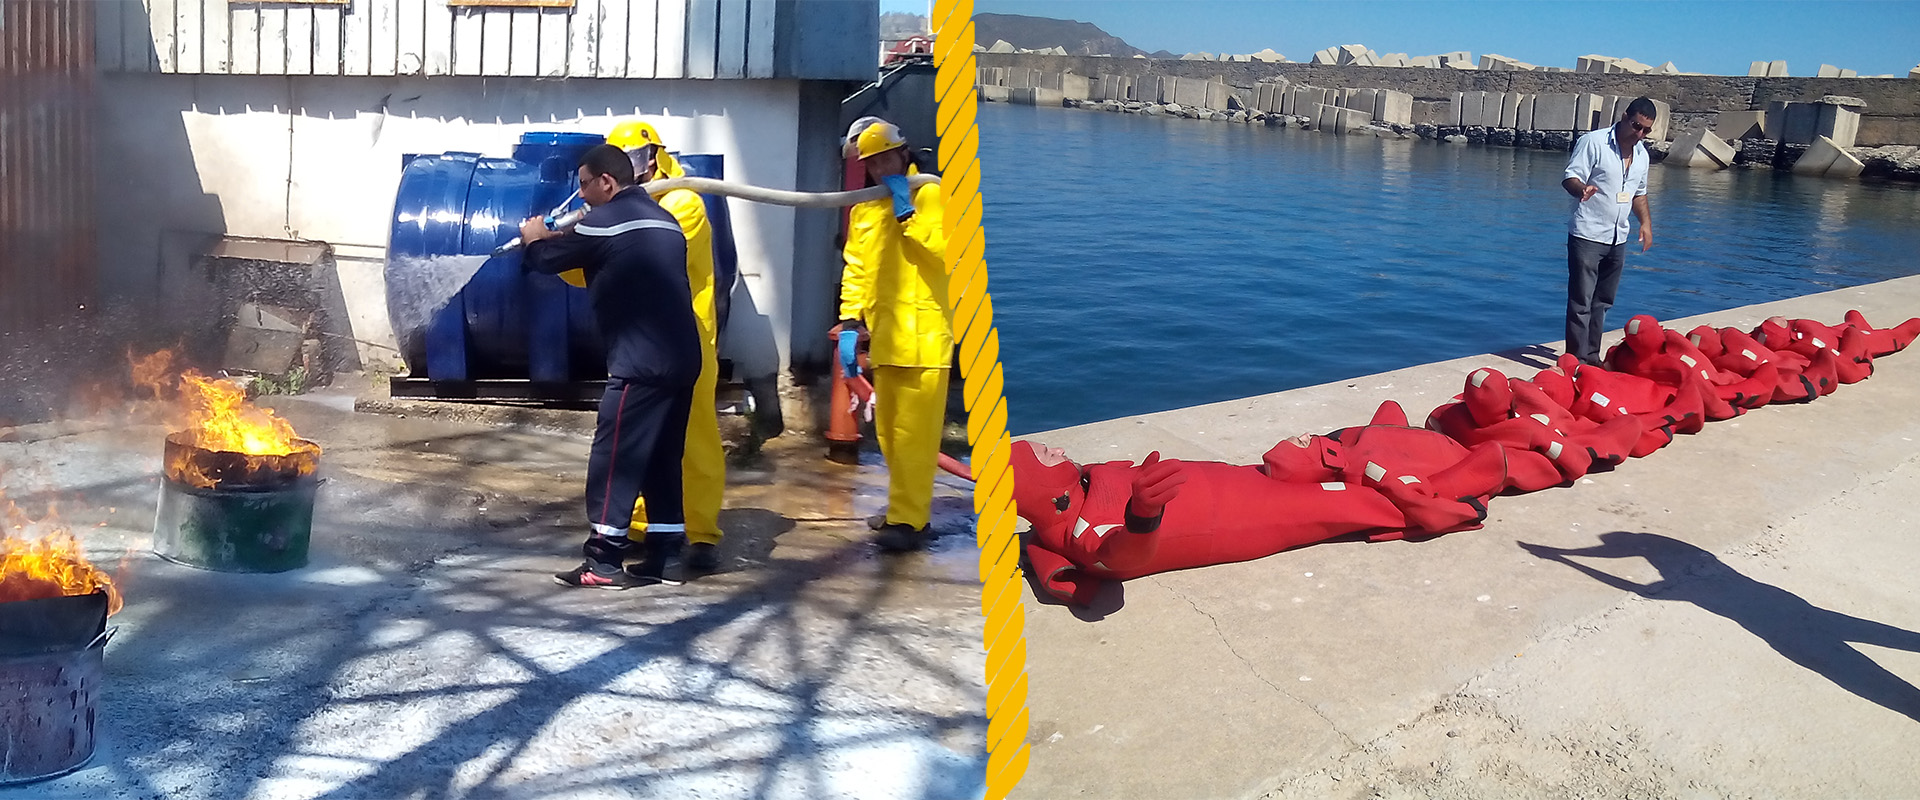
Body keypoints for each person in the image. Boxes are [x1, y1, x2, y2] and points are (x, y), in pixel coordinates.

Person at [518, 144, 702, 589]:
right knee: (661, 456)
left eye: (584, 184)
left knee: (614, 456)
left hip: (640, 364)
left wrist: (534, 237)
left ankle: (602, 560)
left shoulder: (605, 220)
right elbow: (615, 255)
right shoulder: (665, 219)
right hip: (684, 358)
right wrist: (572, 237)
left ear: (607, 181)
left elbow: (546, 261)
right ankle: (665, 557)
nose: (581, 195)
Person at [601, 121, 727, 574]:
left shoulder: (683, 202)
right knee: (642, 437)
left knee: (694, 439)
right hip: (645, 341)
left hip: (689, 339)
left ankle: (702, 533)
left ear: (653, 157)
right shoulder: (621, 204)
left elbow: (646, 252)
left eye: (632, 160)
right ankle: (645, 526)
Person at [833, 120, 952, 552]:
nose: (881, 169)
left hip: (925, 338)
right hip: (887, 337)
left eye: (886, 159)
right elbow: (856, 270)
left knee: (915, 438)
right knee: (888, 434)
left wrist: (909, 216)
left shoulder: (930, 193)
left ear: (904, 153)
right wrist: (850, 324)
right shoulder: (865, 209)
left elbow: (946, 252)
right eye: (873, 163)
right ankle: (901, 507)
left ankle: (911, 521)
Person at [1561, 96, 1657, 367]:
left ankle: (1592, 357)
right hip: (1588, 234)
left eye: (1646, 130)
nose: (1640, 134)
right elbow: (1569, 177)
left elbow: (1639, 194)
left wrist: (1646, 224)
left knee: (1603, 301)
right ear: (1625, 117)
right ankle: (1576, 361)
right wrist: (1582, 189)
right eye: (1637, 126)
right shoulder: (1593, 142)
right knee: (1581, 302)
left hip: (1618, 237)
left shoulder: (1642, 155)